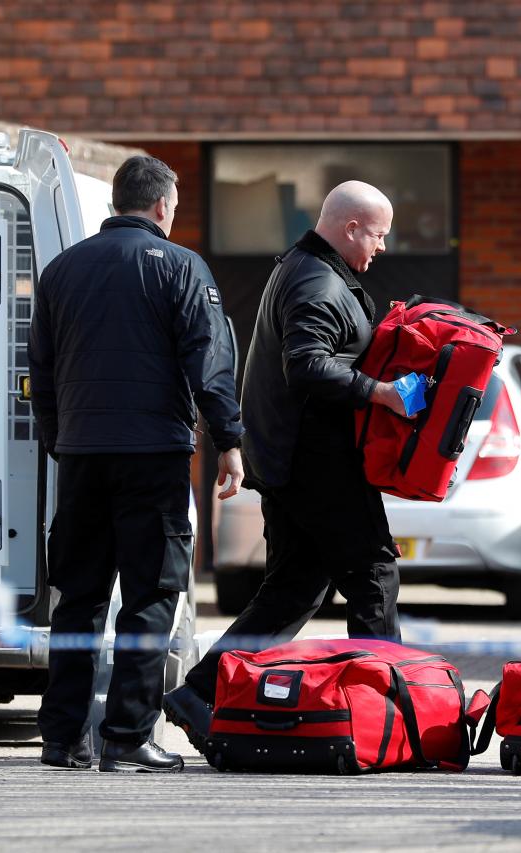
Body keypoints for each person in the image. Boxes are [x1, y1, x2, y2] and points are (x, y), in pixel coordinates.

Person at [164, 181, 408, 752]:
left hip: (291, 461)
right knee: (375, 576)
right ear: (350, 227)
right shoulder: (317, 282)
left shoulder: (306, 269)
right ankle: (389, 713)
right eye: (377, 235)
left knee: (292, 592)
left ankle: (199, 693)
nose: (382, 247)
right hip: (316, 464)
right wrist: (383, 393)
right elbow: (308, 367)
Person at [29, 155, 244, 773]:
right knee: (151, 594)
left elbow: (38, 368)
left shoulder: (62, 270)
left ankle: (61, 736)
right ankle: (125, 735)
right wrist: (229, 440)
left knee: (79, 597)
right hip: (151, 454)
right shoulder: (179, 267)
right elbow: (209, 362)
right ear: (161, 207)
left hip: (82, 454)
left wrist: (59, 439)